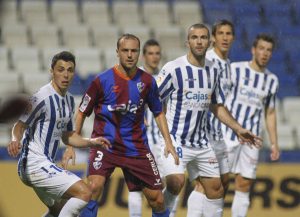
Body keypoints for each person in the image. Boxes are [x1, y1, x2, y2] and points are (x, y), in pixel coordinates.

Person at [63, 34, 179, 217]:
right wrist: (71, 144)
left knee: (156, 199)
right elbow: (82, 112)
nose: (130, 55)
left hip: (136, 148)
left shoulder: (147, 82)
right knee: (92, 188)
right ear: (117, 52)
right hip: (105, 145)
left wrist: (168, 142)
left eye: (134, 50)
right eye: (125, 50)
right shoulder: (101, 81)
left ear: (139, 53)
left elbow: (158, 111)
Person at [156, 23, 262, 217]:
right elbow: (154, 102)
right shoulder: (173, 68)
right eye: (194, 37)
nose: (199, 41)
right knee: (176, 182)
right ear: (187, 42)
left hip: (202, 143)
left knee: (216, 189)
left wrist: (238, 129)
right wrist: (166, 138)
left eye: (203, 37)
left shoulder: (214, 70)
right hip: (176, 139)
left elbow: (216, 106)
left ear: (209, 41)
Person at [7, 51, 111, 217]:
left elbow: (68, 136)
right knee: (84, 192)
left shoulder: (69, 100)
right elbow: (18, 126)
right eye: (60, 69)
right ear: (52, 71)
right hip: (33, 164)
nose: (65, 75)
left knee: (60, 212)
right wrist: (14, 139)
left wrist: (92, 142)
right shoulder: (41, 97)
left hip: (45, 164)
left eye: (70, 70)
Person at [223, 33, 280, 217]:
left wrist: (274, 143)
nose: (265, 53)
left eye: (269, 50)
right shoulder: (235, 69)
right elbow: (219, 100)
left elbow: (269, 112)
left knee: (244, 184)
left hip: (252, 140)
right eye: (261, 49)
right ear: (253, 50)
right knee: (218, 183)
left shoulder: (272, 80)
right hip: (227, 135)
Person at [187, 19, 235, 217]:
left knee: (223, 183)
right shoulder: (205, 61)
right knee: (204, 184)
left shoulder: (228, 65)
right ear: (212, 38)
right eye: (220, 33)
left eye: (229, 33)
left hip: (219, 133)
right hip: (201, 134)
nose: (225, 37)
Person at [127, 39, 179, 217]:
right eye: (150, 53)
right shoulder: (134, 75)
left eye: (157, 53)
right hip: (138, 140)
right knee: (136, 188)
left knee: (172, 182)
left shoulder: (165, 77)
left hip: (160, 141)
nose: (154, 57)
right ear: (143, 56)